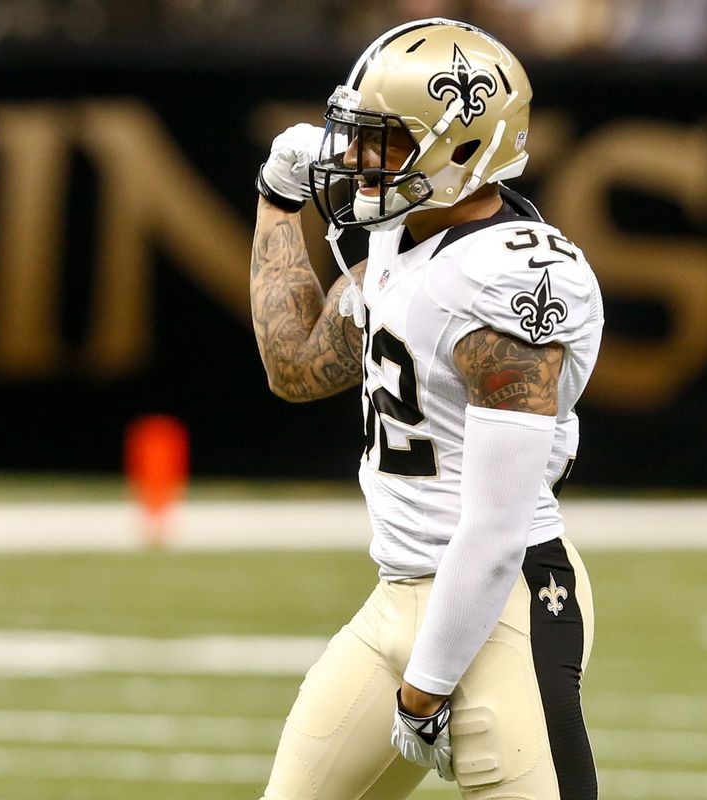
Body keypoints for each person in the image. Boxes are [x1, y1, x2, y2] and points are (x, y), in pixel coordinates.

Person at [250, 17, 602, 800]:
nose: (354, 159)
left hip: (504, 605)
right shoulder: (400, 238)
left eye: (382, 141)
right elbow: (294, 368)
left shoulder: (508, 280)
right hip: (396, 600)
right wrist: (277, 201)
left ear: (462, 149)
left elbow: (496, 527)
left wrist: (426, 688)